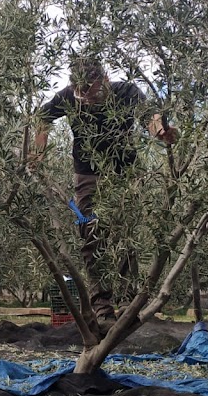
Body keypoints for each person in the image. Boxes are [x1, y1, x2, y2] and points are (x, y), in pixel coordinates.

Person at [33, 54, 177, 330]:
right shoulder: (68, 97)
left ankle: (127, 302)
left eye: (91, 90)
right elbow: (42, 118)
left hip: (125, 174)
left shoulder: (126, 91)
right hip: (87, 175)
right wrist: (38, 153)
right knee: (90, 235)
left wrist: (161, 132)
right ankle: (102, 306)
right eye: (81, 91)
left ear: (104, 80)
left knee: (124, 235)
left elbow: (150, 117)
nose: (86, 97)